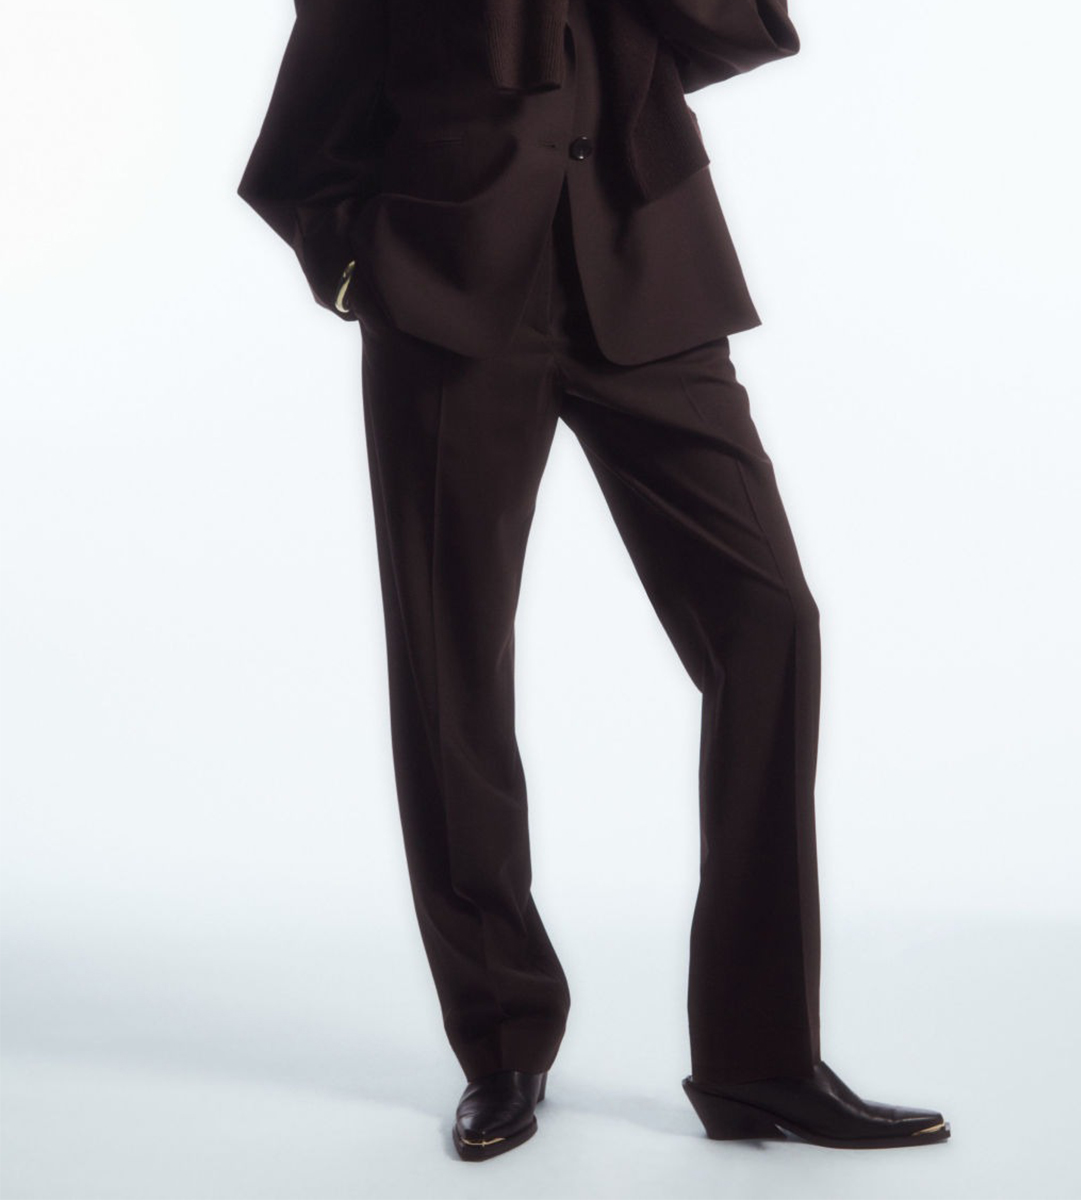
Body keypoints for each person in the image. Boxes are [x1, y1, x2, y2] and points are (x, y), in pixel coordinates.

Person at [237, 0, 951, 1162]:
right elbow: (299, 147)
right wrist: (369, 277)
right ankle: (501, 1039)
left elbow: (747, 27)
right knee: (452, 667)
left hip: (645, 263)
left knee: (769, 622)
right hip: (451, 303)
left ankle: (761, 1057)